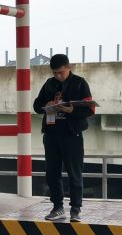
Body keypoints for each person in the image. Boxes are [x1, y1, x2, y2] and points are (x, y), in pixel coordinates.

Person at [33, 54, 94, 222]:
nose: (58, 76)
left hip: (72, 134)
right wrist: (46, 106)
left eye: (61, 72)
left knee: (74, 172)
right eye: (55, 73)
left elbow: (89, 109)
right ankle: (57, 207)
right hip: (51, 134)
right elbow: (37, 105)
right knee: (52, 172)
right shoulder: (49, 84)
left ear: (69, 67)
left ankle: (75, 209)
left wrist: (72, 110)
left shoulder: (80, 83)